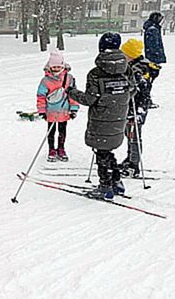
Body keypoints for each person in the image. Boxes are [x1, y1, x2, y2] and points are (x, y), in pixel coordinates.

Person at [67, 33, 134, 200]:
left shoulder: (96, 73)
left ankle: (105, 186)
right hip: (118, 118)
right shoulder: (127, 69)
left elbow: (89, 99)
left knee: (101, 153)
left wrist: (71, 91)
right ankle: (117, 182)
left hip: (101, 119)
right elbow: (132, 90)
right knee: (107, 150)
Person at [36, 50, 79, 162]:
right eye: (53, 67)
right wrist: (41, 110)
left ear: (63, 66)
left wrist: (73, 109)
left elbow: (73, 94)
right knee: (51, 131)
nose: (56, 69)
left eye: (58, 67)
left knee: (62, 131)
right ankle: (51, 149)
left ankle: (61, 148)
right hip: (50, 111)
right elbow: (41, 96)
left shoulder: (69, 78)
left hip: (64, 110)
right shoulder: (45, 80)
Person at [119, 38, 152, 177]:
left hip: (137, 108)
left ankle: (134, 165)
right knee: (129, 134)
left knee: (135, 137)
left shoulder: (140, 69)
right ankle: (129, 159)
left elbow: (143, 90)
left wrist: (135, 80)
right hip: (130, 107)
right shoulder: (132, 66)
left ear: (131, 55)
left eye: (124, 54)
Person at [143, 11, 166, 104]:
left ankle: (146, 98)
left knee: (149, 79)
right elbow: (153, 45)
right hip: (152, 58)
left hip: (151, 57)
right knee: (149, 79)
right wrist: (157, 54)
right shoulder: (153, 30)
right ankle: (146, 99)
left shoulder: (152, 28)